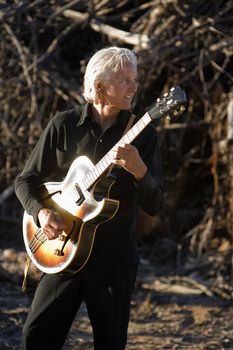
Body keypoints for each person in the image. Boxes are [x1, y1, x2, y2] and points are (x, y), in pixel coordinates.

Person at [15, 46, 163, 350]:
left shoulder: (142, 135)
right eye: (125, 80)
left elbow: (155, 203)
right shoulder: (63, 125)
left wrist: (139, 171)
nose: (134, 87)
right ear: (99, 86)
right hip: (62, 254)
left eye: (135, 79)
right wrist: (41, 213)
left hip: (114, 262)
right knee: (36, 337)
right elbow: (25, 181)